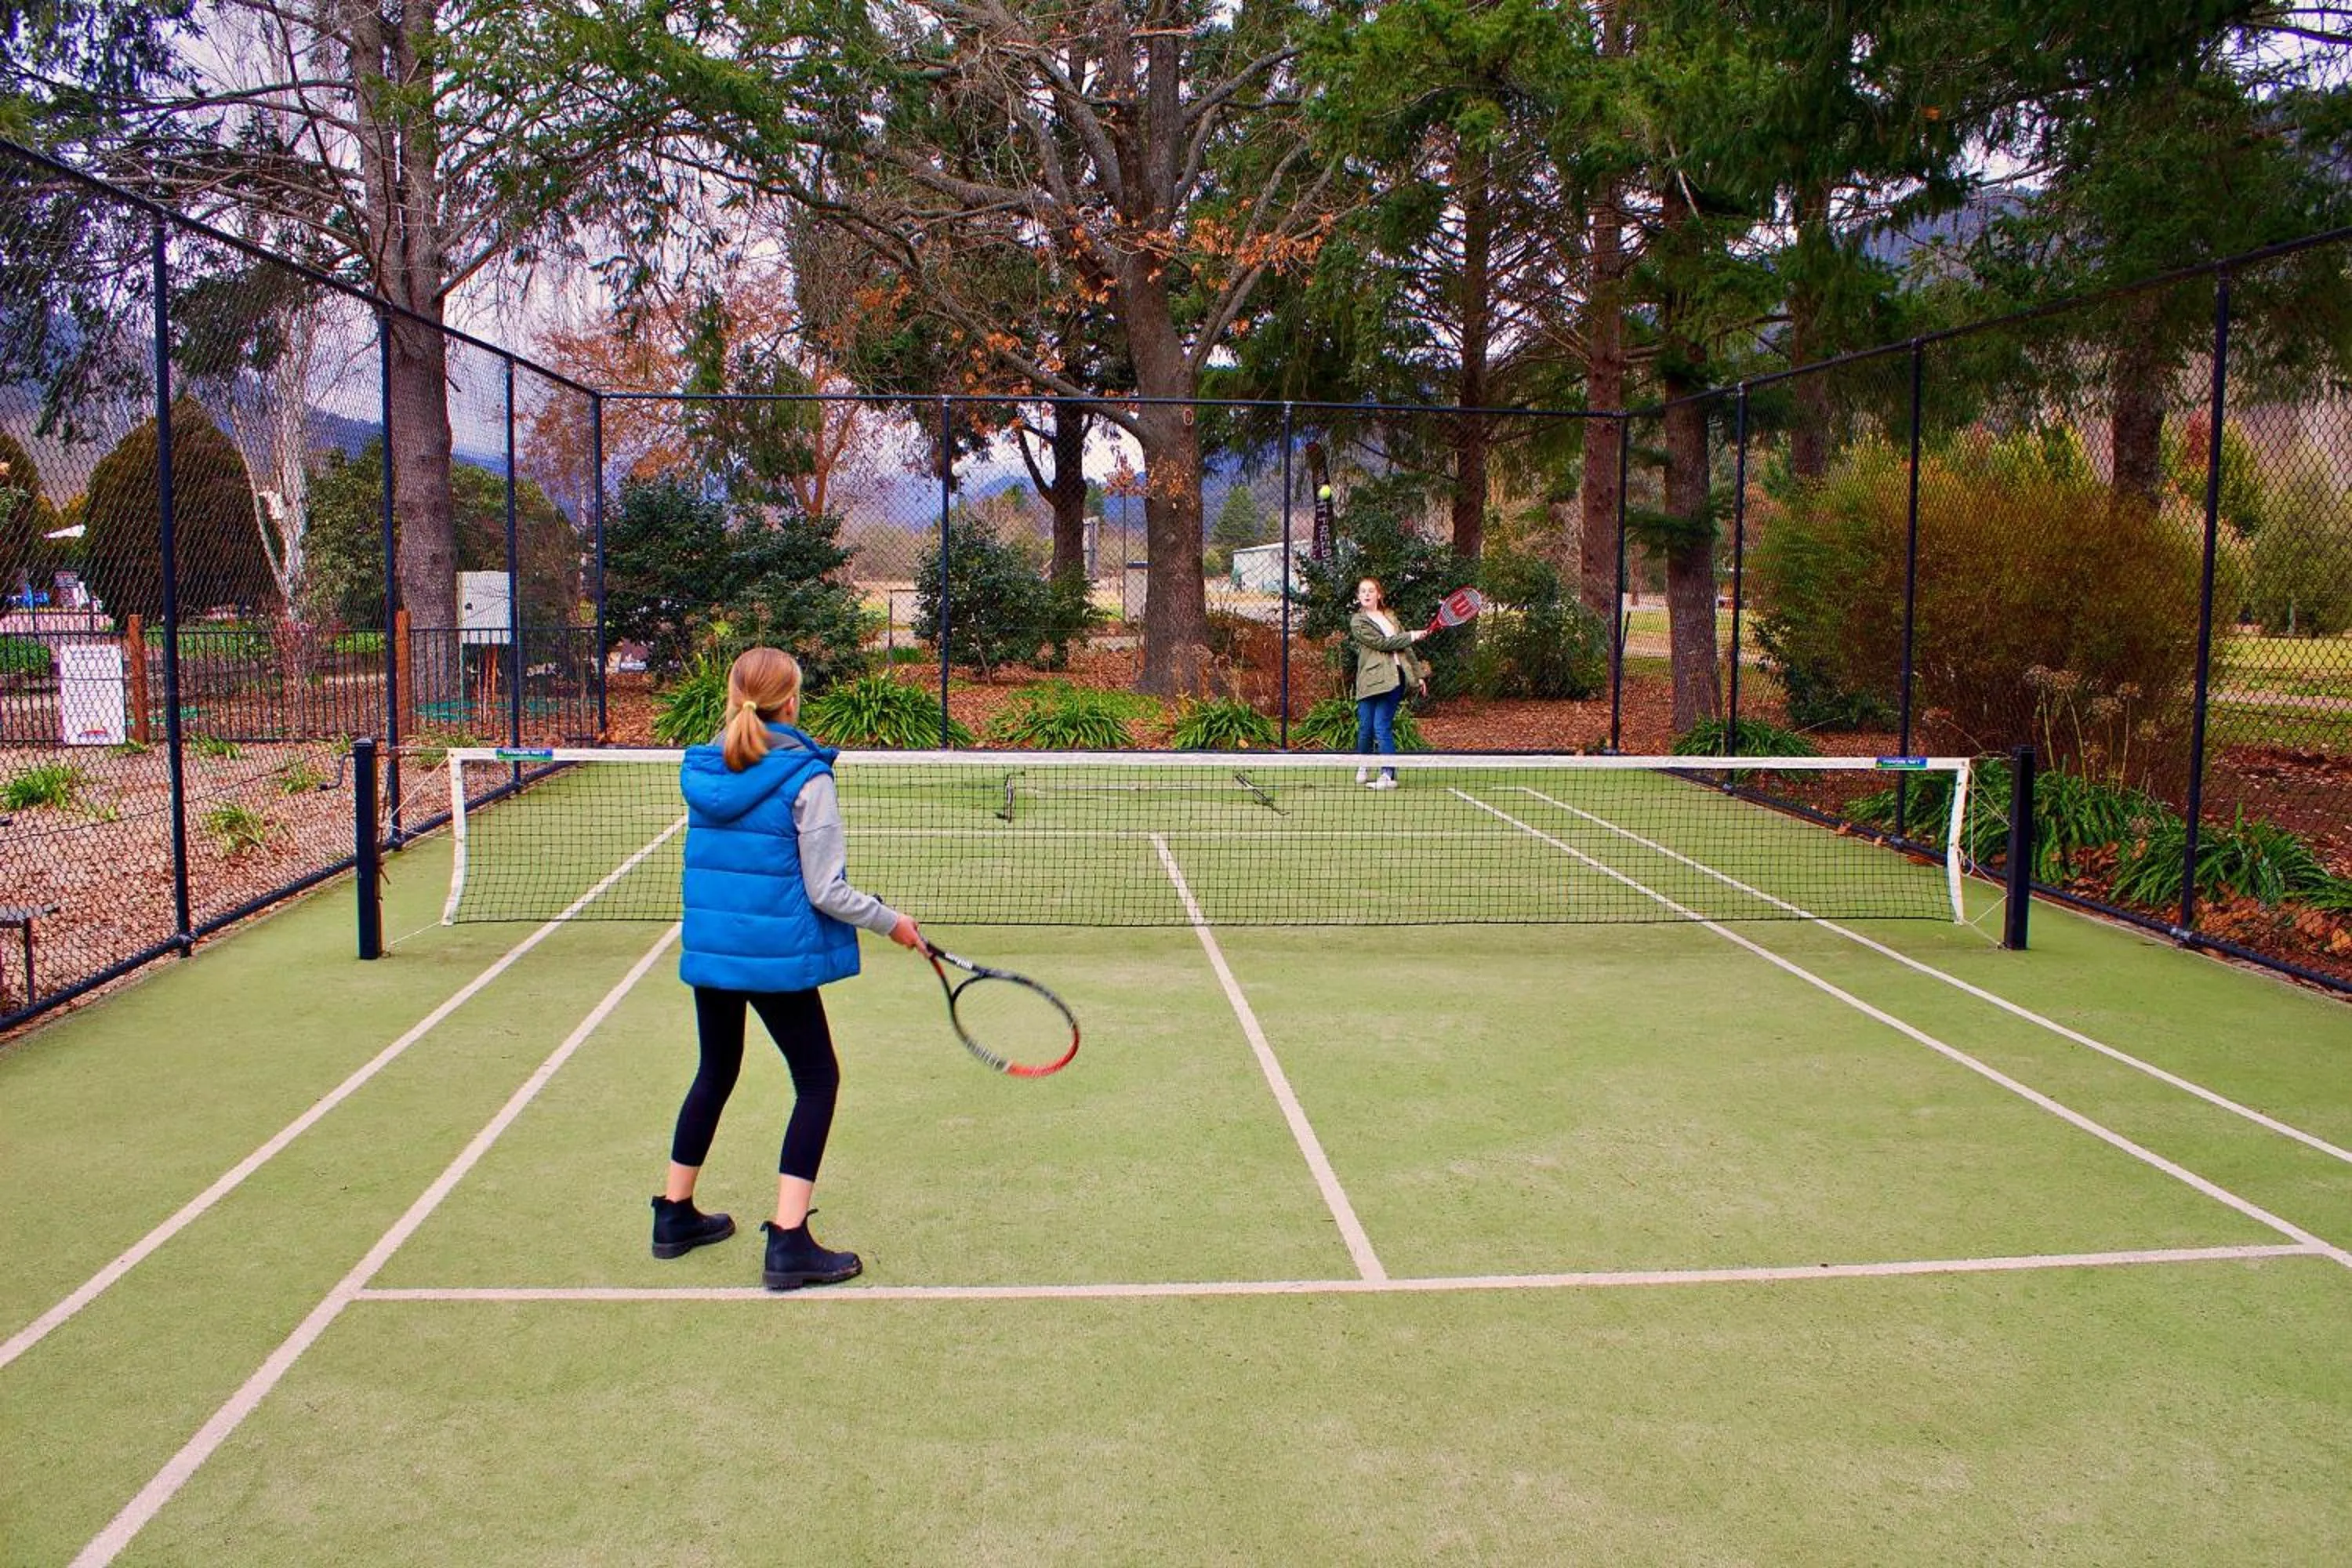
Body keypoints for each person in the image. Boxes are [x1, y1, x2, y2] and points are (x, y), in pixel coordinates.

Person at [652, 646, 926, 1290]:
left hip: (715, 952)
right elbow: (827, 890)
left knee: (715, 1071)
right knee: (817, 1080)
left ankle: (674, 1215)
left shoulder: (707, 768)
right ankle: (789, 1243)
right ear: (792, 700)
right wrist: (892, 922)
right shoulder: (807, 777)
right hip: (773, 958)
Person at [1348, 577, 1429, 789]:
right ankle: (1364, 764)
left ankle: (1388, 775)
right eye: (1362, 591)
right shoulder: (1358, 622)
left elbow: (1406, 649)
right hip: (1370, 679)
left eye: (1371, 590)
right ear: (1358, 596)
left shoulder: (1390, 617)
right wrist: (1411, 635)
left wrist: (1418, 674)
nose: (1366, 594)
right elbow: (1382, 643)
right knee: (1366, 727)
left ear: (1379, 594)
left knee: (1381, 725)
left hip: (1394, 678)